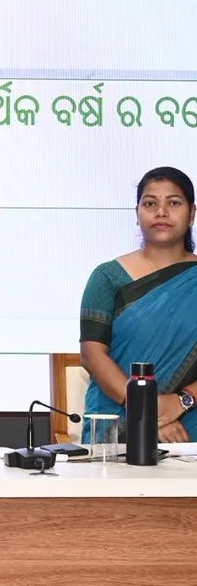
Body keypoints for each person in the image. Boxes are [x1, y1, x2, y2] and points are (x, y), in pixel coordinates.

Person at [80, 167, 197, 443]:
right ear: (137, 214)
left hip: (189, 426)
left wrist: (182, 401)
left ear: (192, 213)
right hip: (118, 426)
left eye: (174, 202)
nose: (161, 211)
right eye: (150, 203)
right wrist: (147, 413)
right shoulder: (107, 277)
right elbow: (92, 356)